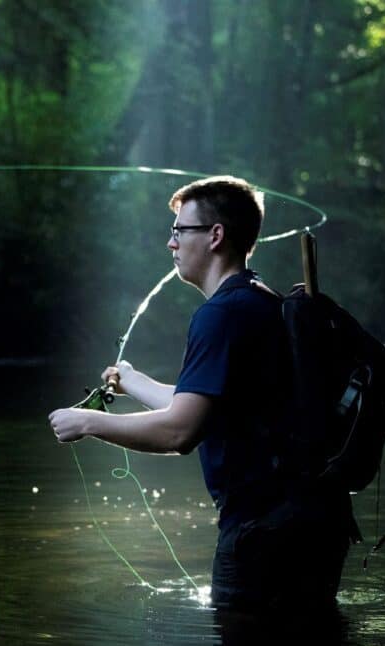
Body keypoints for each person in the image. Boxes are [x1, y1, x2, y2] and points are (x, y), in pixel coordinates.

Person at [48, 175, 353, 611]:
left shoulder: (221, 315)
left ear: (215, 235)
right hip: (314, 522)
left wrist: (88, 422)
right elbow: (209, 406)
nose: (171, 244)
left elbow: (180, 432)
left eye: (179, 231)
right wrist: (133, 381)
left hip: (262, 533)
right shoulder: (261, 300)